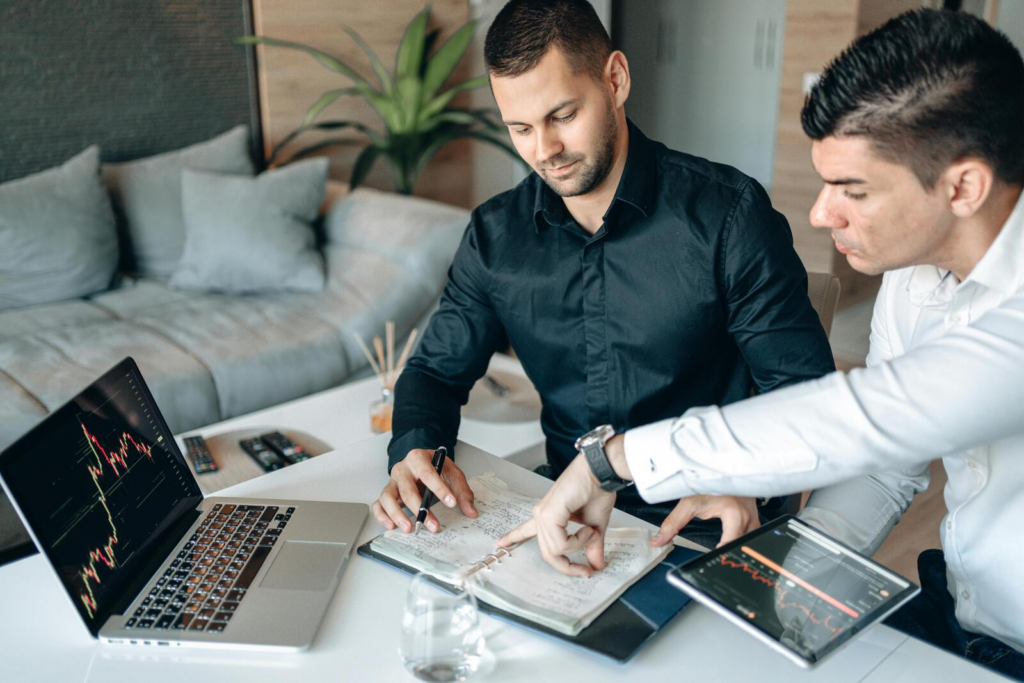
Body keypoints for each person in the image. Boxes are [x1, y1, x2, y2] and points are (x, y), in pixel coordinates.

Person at [499, 9, 1024, 680]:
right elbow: (885, 462)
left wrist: (613, 459)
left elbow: (863, 416)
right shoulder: (916, 273)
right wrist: (782, 589)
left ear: (964, 186)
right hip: (960, 610)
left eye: (851, 189)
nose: (819, 212)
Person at [370, 0, 835, 550]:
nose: (544, 151)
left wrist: (747, 484)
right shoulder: (497, 237)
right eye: (520, 128)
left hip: (704, 521)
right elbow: (435, 373)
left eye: (563, 116)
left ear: (615, 79)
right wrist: (415, 450)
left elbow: (808, 402)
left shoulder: (727, 217)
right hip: (564, 515)